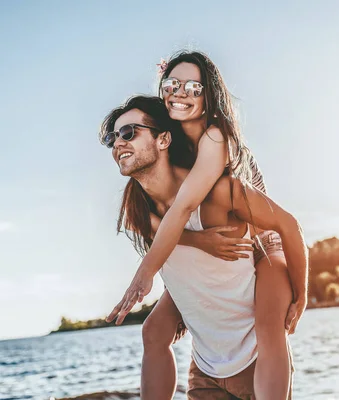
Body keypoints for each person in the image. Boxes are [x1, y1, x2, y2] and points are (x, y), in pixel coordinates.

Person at [106, 52, 308, 400]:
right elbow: (169, 223)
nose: (180, 93)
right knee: (154, 330)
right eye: (171, 84)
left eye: (192, 87)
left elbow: (186, 205)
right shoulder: (156, 169)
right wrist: (200, 242)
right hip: (204, 245)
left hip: (263, 239)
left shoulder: (215, 140)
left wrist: (301, 292)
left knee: (269, 321)